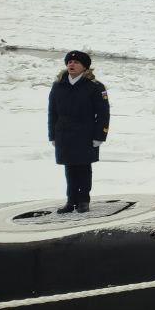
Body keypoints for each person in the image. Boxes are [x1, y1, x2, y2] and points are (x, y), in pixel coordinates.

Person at [47, 50, 109, 213]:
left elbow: (103, 113)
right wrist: (52, 135)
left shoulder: (95, 87)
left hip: (85, 134)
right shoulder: (58, 85)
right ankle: (71, 201)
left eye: (76, 63)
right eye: (69, 62)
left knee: (83, 167)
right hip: (64, 133)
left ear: (85, 67)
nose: (71, 65)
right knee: (69, 168)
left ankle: (83, 201)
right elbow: (52, 112)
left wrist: (100, 136)